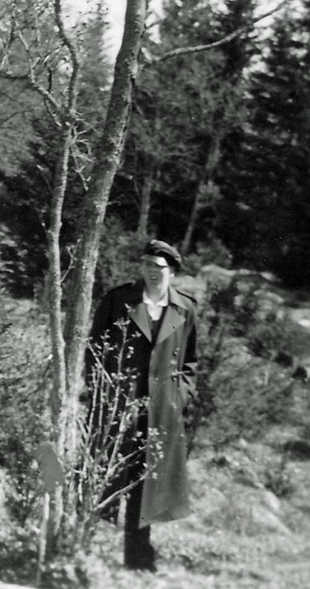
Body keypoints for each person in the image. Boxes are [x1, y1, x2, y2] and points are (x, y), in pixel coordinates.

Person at [86, 239, 199, 572]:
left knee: (145, 486)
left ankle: (136, 558)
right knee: (102, 476)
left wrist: (180, 397)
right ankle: (82, 547)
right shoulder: (119, 300)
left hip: (159, 411)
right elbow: (95, 348)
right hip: (117, 405)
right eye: (147, 265)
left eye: (159, 267)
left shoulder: (185, 308)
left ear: (172, 272)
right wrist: (101, 392)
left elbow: (191, 362)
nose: (152, 272)